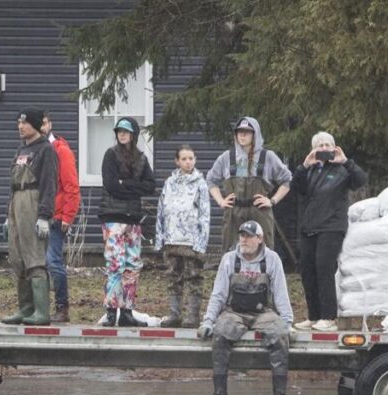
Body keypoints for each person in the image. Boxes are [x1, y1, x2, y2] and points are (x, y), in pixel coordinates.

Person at [198, 221, 294, 395]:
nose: (244, 239)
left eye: (249, 236)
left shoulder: (272, 259)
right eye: (242, 235)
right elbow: (218, 294)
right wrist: (208, 321)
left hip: (263, 313)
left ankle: (279, 394)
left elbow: (281, 294)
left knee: (280, 336)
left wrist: (287, 323)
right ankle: (220, 394)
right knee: (220, 335)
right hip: (234, 313)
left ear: (260, 239)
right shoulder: (229, 259)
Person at [292, 131, 368, 332]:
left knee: (324, 267)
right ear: (314, 149)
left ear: (334, 148)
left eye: (328, 145)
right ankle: (314, 316)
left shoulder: (342, 170)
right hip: (309, 227)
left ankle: (328, 317)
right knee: (308, 270)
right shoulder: (309, 171)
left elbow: (360, 180)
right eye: (320, 145)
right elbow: (296, 187)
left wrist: (346, 161)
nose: (324, 149)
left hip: (332, 226)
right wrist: (304, 165)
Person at [1, 108, 57, 326]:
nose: (20, 126)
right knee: (18, 258)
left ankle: (42, 312)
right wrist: (9, 214)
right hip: (17, 203)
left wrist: (44, 215)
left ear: (34, 125)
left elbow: (49, 184)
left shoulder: (46, 150)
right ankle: (25, 309)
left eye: (24, 123)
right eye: (18, 123)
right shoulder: (21, 149)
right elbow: (13, 185)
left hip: (34, 203)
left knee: (34, 258)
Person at [98, 117, 156, 327]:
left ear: (133, 134)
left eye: (126, 131)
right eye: (119, 131)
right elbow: (111, 185)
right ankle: (112, 311)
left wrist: (127, 183)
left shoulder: (141, 158)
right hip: (112, 218)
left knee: (132, 265)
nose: (122, 134)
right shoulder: (110, 155)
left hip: (133, 219)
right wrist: (134, 186)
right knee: (115, 265)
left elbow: (150, 186)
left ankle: (128, 312)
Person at [206, 117, 291, 253]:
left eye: (247, 132)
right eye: (239, 132)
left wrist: (272, 201)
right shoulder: (226, 157)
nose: (242, 135)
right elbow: (211, 180)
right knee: (230, 254)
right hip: (234, 214)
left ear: (255, 134)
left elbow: (286, 180)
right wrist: (221, 201)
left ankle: (262, 275)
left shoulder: (268, 156)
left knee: (264, 253)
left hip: (260, 212)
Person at [155, 145, 210, 328]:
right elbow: (161, 210)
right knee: (173, 277)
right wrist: (160, 238)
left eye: (191, 158)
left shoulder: (200, 183)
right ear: (177, 161)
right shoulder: (169, 183)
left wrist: (201, 242)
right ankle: (174, 313)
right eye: (184, 159)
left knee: (193, 277)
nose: (188, 162)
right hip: (172, 238)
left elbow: (205, 213)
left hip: (192, 240)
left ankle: (193, 315)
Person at [41, 112, 81, 323]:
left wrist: (67, 216)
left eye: (45, 123)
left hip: (55, 217)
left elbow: (71, 185)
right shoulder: (34, 151)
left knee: (53, 262)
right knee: (38, 264)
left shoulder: (60, 150)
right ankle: (40, 308)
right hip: (37, 216)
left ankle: (62, 307)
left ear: (50, 125)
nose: (42, 127)